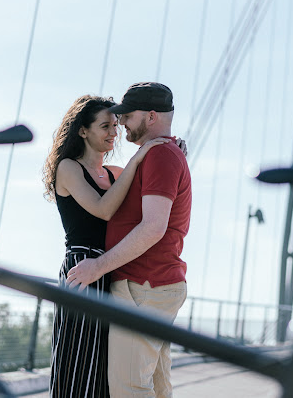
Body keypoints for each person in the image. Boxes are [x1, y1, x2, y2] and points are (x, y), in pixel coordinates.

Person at [66, 82, 192, 398]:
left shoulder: (162, 155)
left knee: (129, 389)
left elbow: (152, 228)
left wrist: (98, 266)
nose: (121, 124)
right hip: (155, 285)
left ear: (151, 117)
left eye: (127, 116)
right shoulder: (161, 153)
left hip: (144, 286)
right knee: (157, 387)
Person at [43, 94, 171, 398]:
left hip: (111, 269)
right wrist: (138, 158)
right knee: (77, 361)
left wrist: (173, 152)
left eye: (116, 124)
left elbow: (153, 191)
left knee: (104, 365)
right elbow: (103, 209)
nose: (114, 132)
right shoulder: (68, 168)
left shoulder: (115, 174)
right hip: (83, 268)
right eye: (105, 126)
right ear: (83, 131)